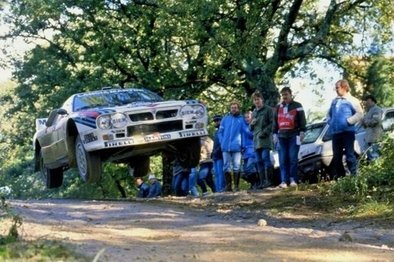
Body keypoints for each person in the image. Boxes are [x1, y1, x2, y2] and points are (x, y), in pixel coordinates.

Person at [327, 79, 363, 177]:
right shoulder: (334, 101)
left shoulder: (353, 100)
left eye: (337, 87)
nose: (336, 89)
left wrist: (348, 121)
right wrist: (330, 122)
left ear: (344, 87)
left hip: (348, 132)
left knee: (350, 155)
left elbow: (360, 114)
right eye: (335, 87)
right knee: (337, 157)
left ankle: (355, 177)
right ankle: (341, 179)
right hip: (336, 133)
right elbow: (329, 115)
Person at [274, 87, 307, 188]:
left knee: (292, 157)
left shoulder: (298, 105)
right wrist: (274, 134)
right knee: (282, 158)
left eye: (286, 95)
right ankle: (284, 180)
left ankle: (293, 179)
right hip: (281, 136)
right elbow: (275, 121)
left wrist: (302, 131)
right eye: (283, 95)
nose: (284, 97)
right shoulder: (278, 107)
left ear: (290, 94)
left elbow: (302, 120)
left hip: (294, 135)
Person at [218, 101, 246, 192]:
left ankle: (236, 186)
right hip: (225, 147)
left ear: (238, 108)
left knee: (237, 166)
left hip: (237, 147)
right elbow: (220, 132)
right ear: (230, 108)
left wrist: (242, 145)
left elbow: (244, 133)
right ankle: (228, 186)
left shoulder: (241, 119)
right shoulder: (225, 119)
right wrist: (222, 142)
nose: (233, 109)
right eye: (232, 107)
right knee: (226, 166)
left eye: (235, 107)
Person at [250, 91, 274, 189]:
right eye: (255, 100)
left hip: (265, 139)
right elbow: (250, 128)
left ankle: (269, 181)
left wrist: (265, 132)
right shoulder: (254, 112)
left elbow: (272, 124)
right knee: (258, 161)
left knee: (265, 159)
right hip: (256, 140)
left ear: (262, 99)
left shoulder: (268, 110)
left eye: (258, 99)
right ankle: (262, 182)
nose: (257, 101)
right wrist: (251, 124)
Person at [361, 94, 383, 161]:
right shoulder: (369, 111)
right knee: (370, 156)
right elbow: (364, 123)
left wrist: (365, 122)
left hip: (375, 136)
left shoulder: (377, 109)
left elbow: (375, 121)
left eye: (368, 101)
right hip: (369, 137)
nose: (366, 102)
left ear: (373, 101)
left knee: (376, 156)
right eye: (366, 101)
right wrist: (364, 122)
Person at [241, 111, 259, 189]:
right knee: (243, 172)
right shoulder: (243, 126)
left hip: (253, 150)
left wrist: (248, 127)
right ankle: (253, 183)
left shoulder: (254, 126)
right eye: (245, 117)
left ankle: (256, 183)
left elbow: (251, 135)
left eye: (248, 117)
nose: (246, 119)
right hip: (244, 152)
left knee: (250, 168)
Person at [212, 115, 225, 192]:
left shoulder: (223, 130)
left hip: (221, 155)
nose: (216, 122)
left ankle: (221, 189)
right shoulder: (215, 132)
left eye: (217, 121)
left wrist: (217, 150)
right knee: (216, 174)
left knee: (220, 173)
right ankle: (217, 190)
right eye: (215, 121)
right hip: (215, 155)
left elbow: (223, 143)